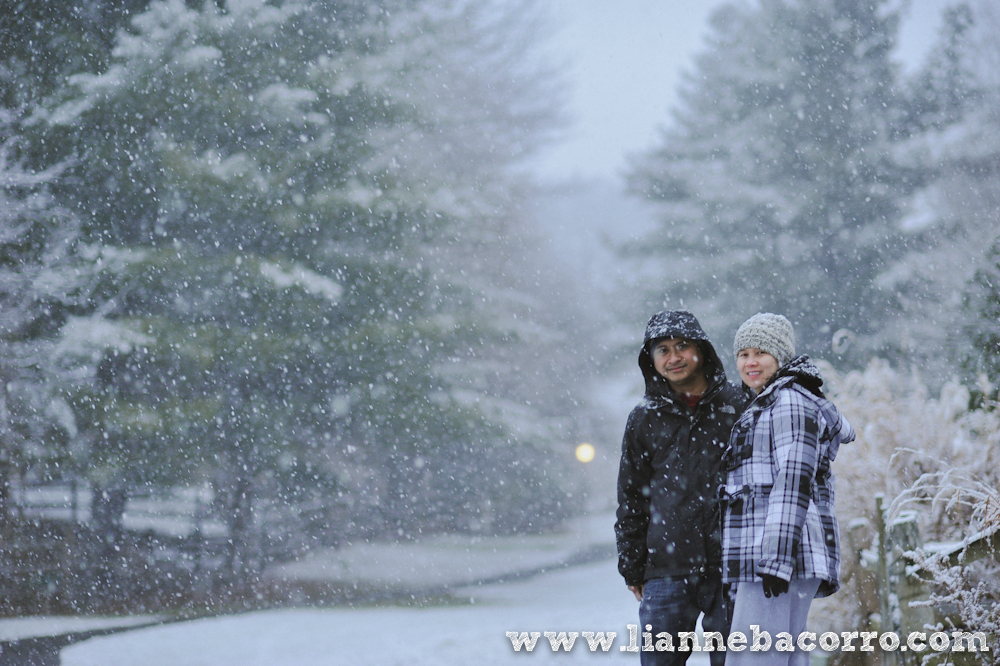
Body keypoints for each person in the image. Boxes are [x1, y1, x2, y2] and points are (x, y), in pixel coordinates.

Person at [616, 310, 749, 666]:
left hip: (733, 565)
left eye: (682, 346)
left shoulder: (739, 406)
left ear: (702, 351)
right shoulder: (644, 418)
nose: (673, 357)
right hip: (667, 570)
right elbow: (631, 496)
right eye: (662, 350)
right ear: (651, 360)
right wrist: (632, 565)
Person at [721, 313, 855, 666]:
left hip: (780, 556)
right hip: (783, 555)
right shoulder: (774, 401)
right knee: (785, 655)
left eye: (760, 352)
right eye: (743, 354)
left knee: (754, 657)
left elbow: (792, 484)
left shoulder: (788, 403)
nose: (750, 362)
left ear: (780, 357)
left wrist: (776, 561)